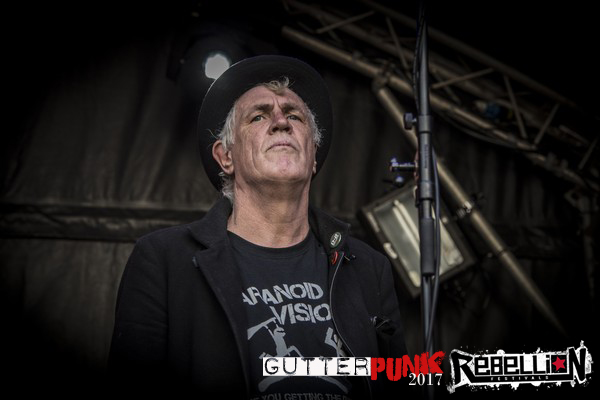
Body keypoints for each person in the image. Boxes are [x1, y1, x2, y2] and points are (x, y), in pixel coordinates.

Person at [108, 55, 408, 399]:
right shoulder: (163, 260)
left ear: (313, 155)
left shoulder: (368, 268)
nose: (281, 122)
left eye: (294, 116)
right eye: (259, 116)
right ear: (226, 157)